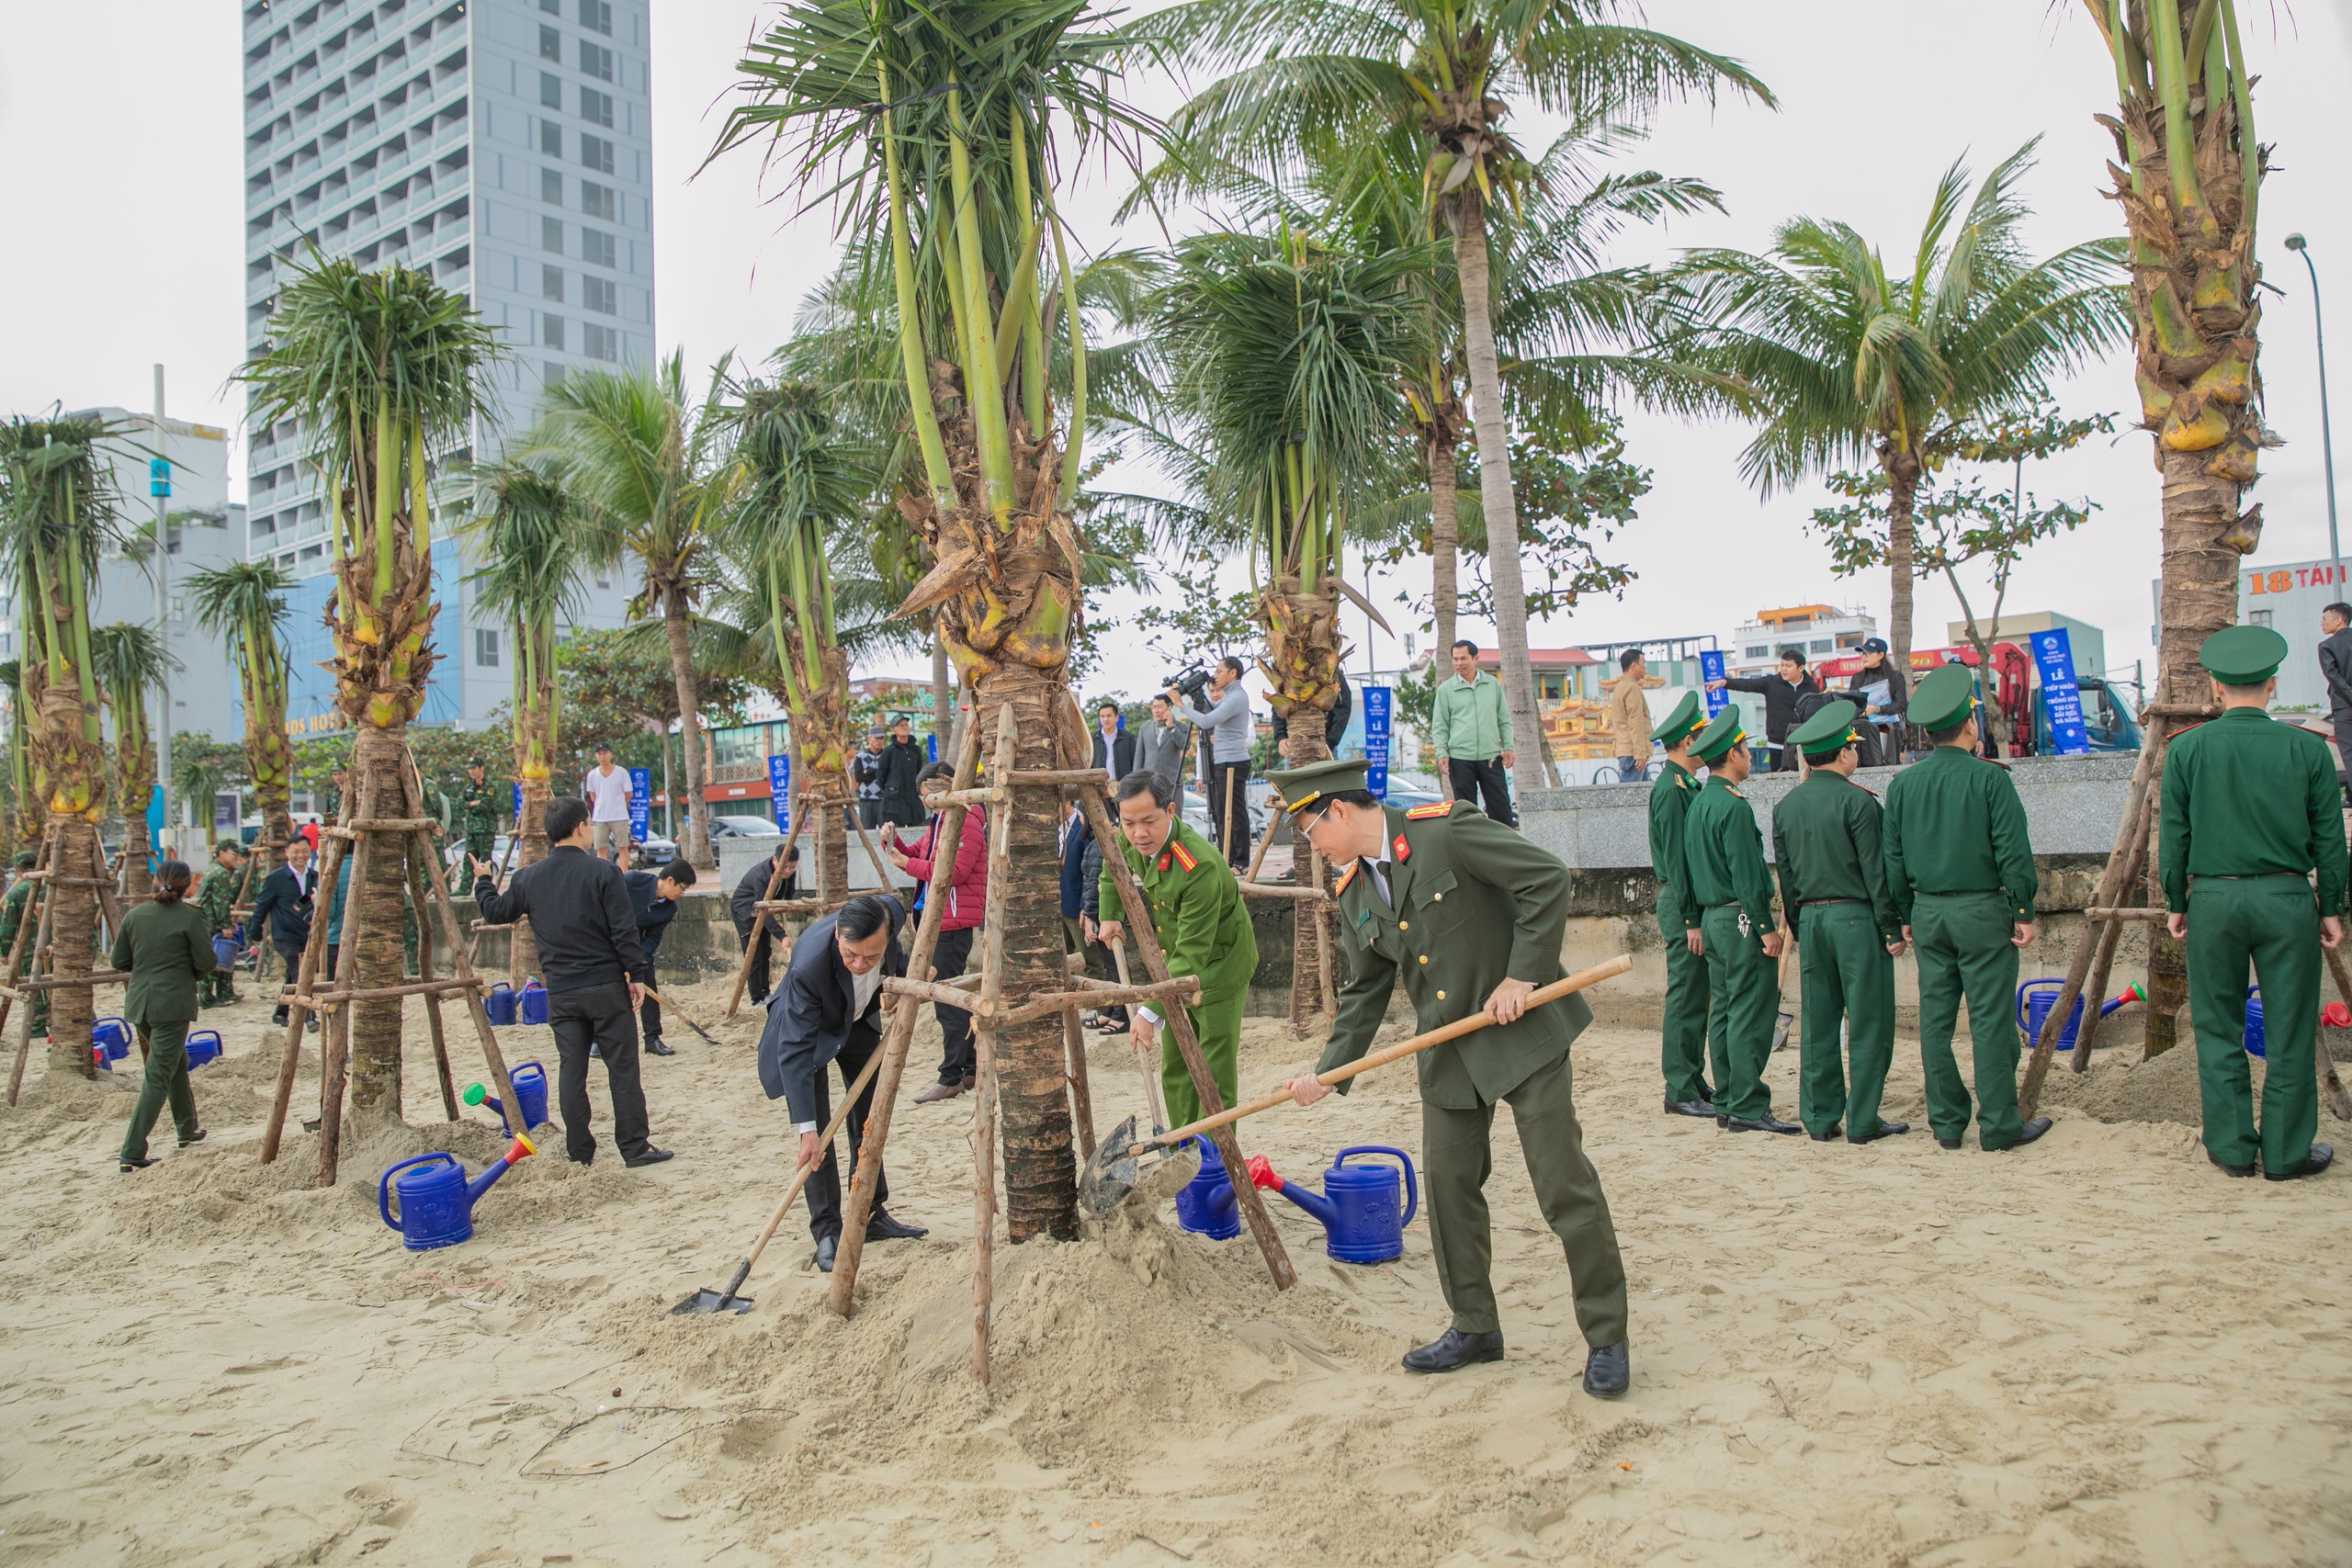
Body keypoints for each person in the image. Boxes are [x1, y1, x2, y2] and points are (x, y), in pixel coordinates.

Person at [1271, 758, 1628, 1393]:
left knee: (1562, 1184)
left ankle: (1606, 1335)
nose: (1309, 844)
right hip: (1449, 1049)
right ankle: (1474, 1325)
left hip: (1522, 1032)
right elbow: (1365, 991)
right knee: (1448, 1190)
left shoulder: (1446, 830)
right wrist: (1328, 1073)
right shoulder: (1352, 888)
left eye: (1308, 829)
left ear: (1341, 811)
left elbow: (1544, 880)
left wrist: (1522, 974)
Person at [2162, 625, 2345, 1180]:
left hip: (2212, 898)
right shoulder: (2308, 748)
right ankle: (2287, 1155)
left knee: (2218, 1028)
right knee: (2289, 1030)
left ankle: (2232, 1149)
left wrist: (2177, 900)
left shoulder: (2187, 748)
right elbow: (2330, 841)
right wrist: (2332, 906)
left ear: (2216, 687)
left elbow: (2174, 837)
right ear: (2272, 685)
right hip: (2287, 897)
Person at [1882, 662, 2047, 1153]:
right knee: (1991, 1020)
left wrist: (1906, 915)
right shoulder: (1990, 780)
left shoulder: (1903, 786)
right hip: (1982, 913)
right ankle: (1999, 1125)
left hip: (1928, 914)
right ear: (1970, 724)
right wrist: (2023, 910)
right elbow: (2013, 853)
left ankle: (1948, 1124)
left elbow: (1893, 860)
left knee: (1934, 1022)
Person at [473, 796, 671, 1168]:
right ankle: (634, 1147)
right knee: (623, 1069)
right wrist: (637, 975)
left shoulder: (528, 877)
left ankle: (579, 1152)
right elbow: (623, 930)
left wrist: (484, 880)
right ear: (581, 827)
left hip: (561, 993)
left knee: (572, 1070)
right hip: (606, 988)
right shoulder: (603, 872)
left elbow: (495, 910)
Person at [755, 893, 930, 1270]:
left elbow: (902, 953)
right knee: (817, 1134)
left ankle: (870, 1211)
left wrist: (903, 977)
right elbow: (795, 1050)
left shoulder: (892, 915)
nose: (860, 964)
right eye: (851, 955)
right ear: (837, 935)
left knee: (871, 1114)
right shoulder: (808, 967)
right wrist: (805, 1130)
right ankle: (828, 1230)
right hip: (811, 1033)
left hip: (855, 1022)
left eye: (871, 957)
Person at [1772, 701, 1908, 1145]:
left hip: (1810, 920)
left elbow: (1787, 878)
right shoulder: (1858, 801)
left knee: (1817, 1024)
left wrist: (1801, 922)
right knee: (1868, 1022)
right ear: (1842, 753)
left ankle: (1819, 1117)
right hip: (1856, 919)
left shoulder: (1787, 806)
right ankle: (1863, 1119)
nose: (1856, 752)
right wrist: (1891, 927)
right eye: (1853, 746)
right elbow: (1878, 873)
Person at [1095, 770, 1256, 1128]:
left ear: (1170, 811)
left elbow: (1193, 950)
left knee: (1212, 1068)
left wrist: (1149, 1011)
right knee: (1178, 1063)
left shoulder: (1197, 865)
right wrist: (1110, 914)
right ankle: (1182, 1146)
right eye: (1129, 822)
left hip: (1219, 964)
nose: (1139, 833)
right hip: (1174, 965)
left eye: (1149, 821)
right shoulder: (1130, 837)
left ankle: (1214, 1162)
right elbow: (1112, 864)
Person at [1682, 707, 1798, 1134]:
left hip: (1713, 920)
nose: (1751, 759)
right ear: (1733, 755)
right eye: (1747, 751)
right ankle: (1747, 1103)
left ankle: (1729, 1098)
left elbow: (1688, 871)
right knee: (1750, 1010)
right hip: (1741, 919)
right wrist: (1767, 928)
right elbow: (1748, 877)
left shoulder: (1698, 804)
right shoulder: (1733, 807)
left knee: (1725, 1011)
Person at [886, 762, 986, 1102]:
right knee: (949, 995)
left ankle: (952, 1075)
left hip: (953, 921)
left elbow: (954, 872)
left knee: (947, 1001)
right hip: (937, 918)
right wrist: (895, 844)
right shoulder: (941, 818)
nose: (925, 801)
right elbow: (920, 852)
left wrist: (906, 864)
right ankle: (969, 1068)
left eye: (927, 795)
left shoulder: (967, 818)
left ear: (943, 789)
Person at [113, 860, 215, 1172]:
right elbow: (207, 961)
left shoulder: (134, 915)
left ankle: (187, 1128)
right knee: (158, 1074)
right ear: (189, 885)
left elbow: (120, 960)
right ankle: (132, 1151)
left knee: (173, 1063)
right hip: (172, 1006)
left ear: (156, 881)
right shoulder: (190, 916)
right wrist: (185, 976)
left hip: (139, 1004)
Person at [1645, 693, 1714, 1118]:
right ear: (1688, 743)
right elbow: (1676, 860)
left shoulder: (1686, 784)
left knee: (1697, 995)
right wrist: (1691, 918)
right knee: (1686, 996)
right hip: (1682, 901)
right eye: (1703, 735)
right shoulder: (1671, 790)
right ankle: (1679, 1087)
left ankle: (1692, 1076)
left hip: (1692, 900)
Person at [1176, 656, 1256, 867]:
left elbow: (1206, 721)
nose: (1215, 675)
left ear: (1233, 673)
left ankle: (1240, 861)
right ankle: (1228, 858)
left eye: (1220, 671)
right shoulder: (1230, 696)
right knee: (1222, 812)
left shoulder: (1236, 697)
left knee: (1234, 812)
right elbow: (1212, 711)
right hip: (1224, 761)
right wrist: (1197, 694)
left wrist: (1180, 706)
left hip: (1233, 762)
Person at [1431, 639, 1516, 824]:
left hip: (1491, 757)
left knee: (1501, 809)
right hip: (1460, 760)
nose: (1459, 663)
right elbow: (1439, 726)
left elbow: (1504, 720)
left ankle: (1504, 849)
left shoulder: (1492, 685)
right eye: (1455, 659)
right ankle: (1471, 851)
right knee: (1467, 813)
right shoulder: (1446, 690)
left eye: (1463, 658)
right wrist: (1441, 753)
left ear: (1475, 658)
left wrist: (1508, 746)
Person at [622, 858, 695, 1055]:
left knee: (648, 986)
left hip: (636, 947)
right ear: (669, 880)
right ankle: (596, 1040)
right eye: (682, 888)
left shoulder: (668, 908)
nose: (682, 894)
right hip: (608, 941)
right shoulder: (632, 881)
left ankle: (652, 1038)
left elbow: (652, 938)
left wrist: (638, 962)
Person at [1712, 648, 1822, 772]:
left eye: (1788, 666)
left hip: (1803, 743)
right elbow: (1748, 684)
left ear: (1801, 668)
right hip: (1777, 744)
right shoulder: (1771, 683)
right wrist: (1725, 683)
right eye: (1782, 665)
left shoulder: (1812, 687)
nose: (1784, 669)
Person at [250, 836, 318, 1031]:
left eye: (305, 851)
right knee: (301, 972)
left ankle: (280, 1012)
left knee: (292, 975)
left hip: (306, 935)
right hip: (284, 935)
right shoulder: (276, 878)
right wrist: (255, 931)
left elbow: (296, 908)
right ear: (286, 852)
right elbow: (262, 906)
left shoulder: (315, 876)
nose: (300, 855)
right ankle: (309, 1017)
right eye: (296, 851)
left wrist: (311, 899)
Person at [730, 840, 799, 1006]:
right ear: (775, 861)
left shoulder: (789, 872)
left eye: (792, 867)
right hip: (745, 910)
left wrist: (785, 905)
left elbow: (788, 893)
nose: (789, 871)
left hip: (765, 909)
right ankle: (756, 998)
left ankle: (765, 992)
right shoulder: (762, 875)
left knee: (766, 951)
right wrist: (782, 936)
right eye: (786, 868)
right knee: (754, 954)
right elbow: (763, 909)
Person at [0, 849, 48, 1039]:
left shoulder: (16, 894)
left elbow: (8, 926)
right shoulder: (52, 887)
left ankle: (36, 1027)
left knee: (31, 983)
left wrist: (3, 952)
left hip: (29, 948)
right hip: (58, 947)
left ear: (17, 870)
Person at [1845, 637, 1908, 765]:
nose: (1863, 657)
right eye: (1862, 653)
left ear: (1881, 655)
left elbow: (1901, 704)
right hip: (1864, 731)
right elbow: (1851, 704)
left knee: (1889, 765)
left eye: (1868, 653)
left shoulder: (1895, 677)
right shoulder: (1857, 678)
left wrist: (1877, 709)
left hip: (1888, 730)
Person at [198, 842, 246, 1008]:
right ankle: (208, 997)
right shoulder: (220, 874)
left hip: (206, 921)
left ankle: (223, 992)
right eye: (233, 854)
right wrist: (225, 925)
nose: (236, 858)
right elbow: (220, 903)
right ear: (221, 853)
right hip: (212, 924)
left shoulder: (211, 869)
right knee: (217, 958)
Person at [2320, 604, 2352, 806]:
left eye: (2325, 619)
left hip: (2344, 707)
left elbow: (2333, 676)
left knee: (2348, 753)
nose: (2322, 623)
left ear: (2338, 620)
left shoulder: (2327, 646)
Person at [583, 744, 633, 864]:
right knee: (601, 849)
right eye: (599, 754)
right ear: (595, 756)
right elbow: (592, 796)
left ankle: (623, 876)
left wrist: (619, 805)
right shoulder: (592, 775)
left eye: (604, 753)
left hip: (619, 816)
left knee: (622, 847)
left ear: (610, 754)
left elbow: (628, 794)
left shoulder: (621, 773)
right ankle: (603, 877)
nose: (602, 757)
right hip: (599, 817)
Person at [1608, 649, 1652, 784]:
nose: (1645, 667)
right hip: (1633, 752)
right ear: (1634, 665)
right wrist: (1640, 753)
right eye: (1643, 663)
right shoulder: (1632, 688)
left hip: (1626, 749)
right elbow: (1635, 722)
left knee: (1646, 795)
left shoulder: (1620, 686)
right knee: (1630, 798)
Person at [1135, 694, 1193, 792]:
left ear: (1169, 708)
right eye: (1154, 707)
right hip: (1149, 783)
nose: (1156, 711)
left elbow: (1185, 746)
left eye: (1159, 707)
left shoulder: (1181, 727)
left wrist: (1172, 727)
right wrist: (1136, 780)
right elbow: (1139, 756)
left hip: (1172, 782)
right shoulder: (1145, 728)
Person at [877, 716, 929, 829]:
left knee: (918, 832)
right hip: (894, 801)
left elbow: (920, 771)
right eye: (901, 725)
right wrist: (892, 788)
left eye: (906, 725)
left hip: (913, 799)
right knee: (894, 835)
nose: (905, 727)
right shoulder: (889, 751)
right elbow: (881, 776)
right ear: (893, 730)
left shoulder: (915, 749)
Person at [458, 758, 500, 881]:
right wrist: (472, 804)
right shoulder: (469, 787)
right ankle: (464, 888)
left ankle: (486, 884)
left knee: (485, 859)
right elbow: (460, 803)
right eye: (469, 769)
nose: (471, 771)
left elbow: (485, 806)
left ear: (481, 768)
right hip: (471, 829)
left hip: (485, 829)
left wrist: (471, 805)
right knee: (469, 858)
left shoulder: (489, 787)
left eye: (474, 768)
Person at [1091, 702, 1137, 780]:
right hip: (1100, 784)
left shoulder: (1127, 738)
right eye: (1102, 716)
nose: (1105, 719)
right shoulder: (1094, 738)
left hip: (1123, 784)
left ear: (1116, 718)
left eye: (1109, 716)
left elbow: (1135, 761)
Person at [852, 727, 888, 829]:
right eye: (876, 738)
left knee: (886, 832)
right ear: (869, 739)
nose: (879, 741)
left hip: (883, 799)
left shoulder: (887, 755)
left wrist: (869, 772)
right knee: (867, 832)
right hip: (865, 800)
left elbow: (887, 775)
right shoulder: (860, 756)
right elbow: (858, 777)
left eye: (881, 738)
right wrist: (879, 773)